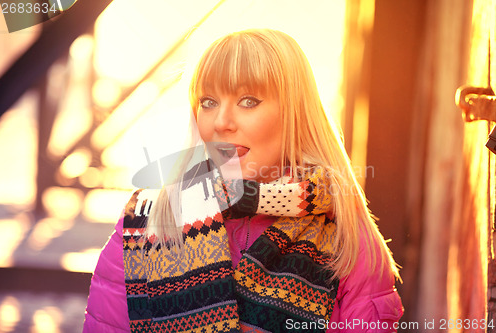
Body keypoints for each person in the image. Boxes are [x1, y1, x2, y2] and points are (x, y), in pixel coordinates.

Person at [83, 29, 403, 332]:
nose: (221, 122)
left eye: (248, 101)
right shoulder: (149, 221)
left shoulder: (347, 241)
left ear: (296, 114)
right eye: (208, 102)